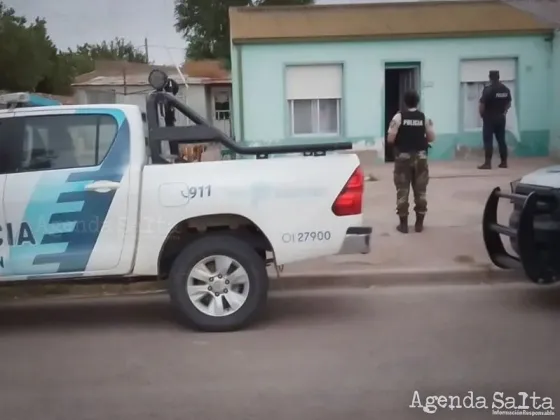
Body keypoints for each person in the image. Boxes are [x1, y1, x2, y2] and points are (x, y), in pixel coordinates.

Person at [387, 90, 436, 234]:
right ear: (417, 102)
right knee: (420, 191)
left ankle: (403, 225)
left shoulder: (398, 117)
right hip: (421, 158)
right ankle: (419, 224)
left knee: (402, 191)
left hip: (403, 158)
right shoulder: (424, 117)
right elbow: (431, 137)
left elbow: (390, 138)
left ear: (404, 102)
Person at [478, 70, 512, 170]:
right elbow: (509, 103)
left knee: (488, 140)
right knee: (501, 140)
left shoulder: (488, 89)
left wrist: (482, 115)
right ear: (498, 77)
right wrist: (504, 112)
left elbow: (482, 104)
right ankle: (504, 162)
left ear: (490, 77)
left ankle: (487, 164)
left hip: (489, 118)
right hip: (501, 118)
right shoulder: (505, 89)